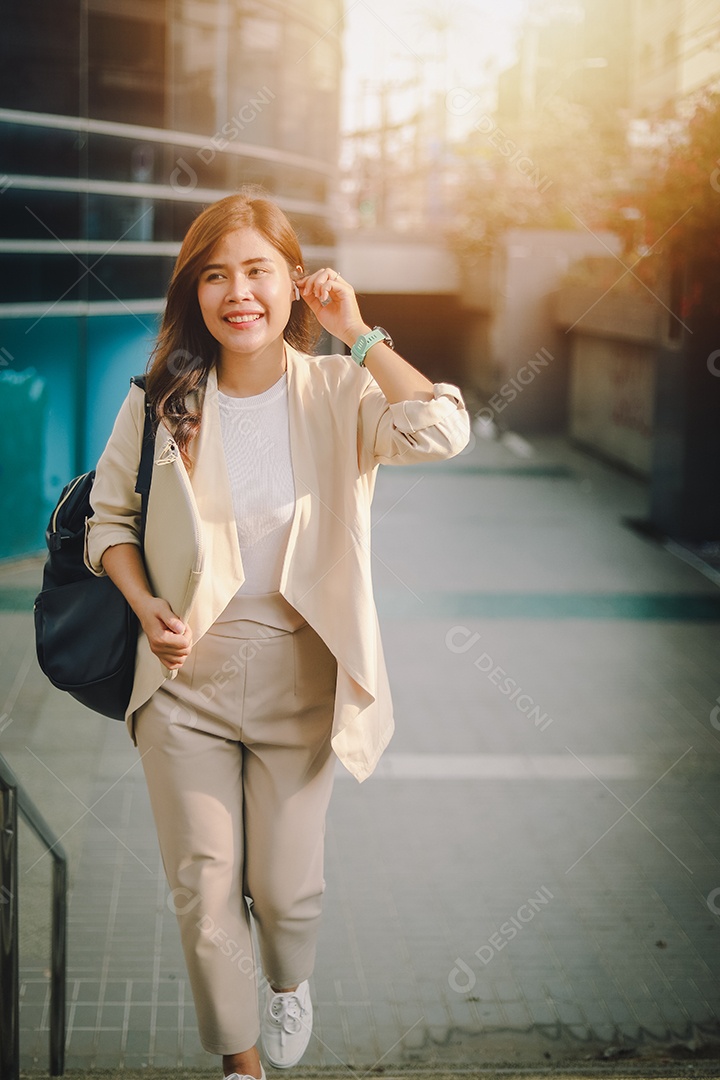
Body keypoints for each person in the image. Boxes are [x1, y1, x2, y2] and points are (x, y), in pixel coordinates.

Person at [85, 189, 470, 1080]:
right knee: (205, 885)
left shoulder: (340, 389)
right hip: (184, 685)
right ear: (197, 293)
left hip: (302, 679)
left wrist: (361, 333)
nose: (237, 293)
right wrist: (147, 610)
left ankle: (290, 983)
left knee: (287, 892)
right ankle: (241, 1062)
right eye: (215, 275)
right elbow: (109, 522)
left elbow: (443, 428)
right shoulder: (163, 400)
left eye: (258, 271)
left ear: (296, 285)